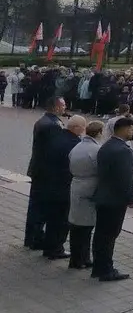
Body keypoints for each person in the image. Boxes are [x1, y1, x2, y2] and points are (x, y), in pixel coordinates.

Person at [93, 117, 133, 282]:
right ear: (124, 129)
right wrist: (131, 197)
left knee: (101, 234)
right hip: (115, 199)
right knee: (110, 235)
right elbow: (126, 178)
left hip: (103, 196)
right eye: (132, 128)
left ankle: (98, 267)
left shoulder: (107, 146)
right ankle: (106, 270)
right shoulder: (123, 150)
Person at [40, 114, 86, 259]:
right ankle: (56, 249)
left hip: (49, 184)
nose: (84, 130)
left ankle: (48, 247)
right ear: (76, 128)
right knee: (61, 221)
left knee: (52, 219)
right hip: (64, 187)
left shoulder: (57, 138)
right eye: (83, 127)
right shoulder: (74, 143)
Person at [25, 96, 66, 250]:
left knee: (35, 206)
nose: (65, 108)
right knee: (41, 208)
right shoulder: (53, 125)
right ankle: (36, 239)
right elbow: (55, 151)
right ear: (55, 107)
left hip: (39, 170)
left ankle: (31, 238)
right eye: (63, 105)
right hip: (47, 173)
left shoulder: (43, 121)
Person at [68, 120, 105, 270]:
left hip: (76, 184)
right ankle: (80, 259)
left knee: (77, 224)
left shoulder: (78, 146)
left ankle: (79, 257)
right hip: (89, 187)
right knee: (85, 227)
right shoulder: (96, 150)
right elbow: (100, 169)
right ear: (99, 133)